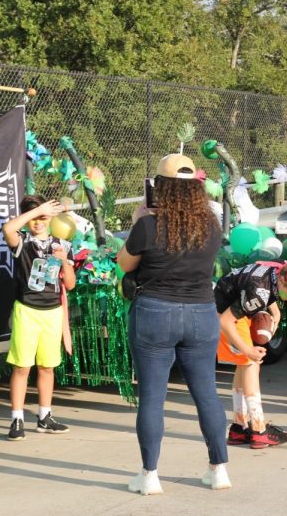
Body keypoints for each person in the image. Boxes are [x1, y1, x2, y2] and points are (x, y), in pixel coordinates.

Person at [117, 154, 227, 495]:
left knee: (152, 397)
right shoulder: (211, 223)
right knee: (207, 394)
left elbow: (124, 264)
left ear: (159, 188)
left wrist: (139, 220)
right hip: (201, 313)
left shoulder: (149, 224)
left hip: (155, 311)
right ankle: (218, 469)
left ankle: (150, 476)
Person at [216, 260, 287, 448]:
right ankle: (259, 430)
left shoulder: (274, 272)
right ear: (286, 283)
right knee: (251, 364)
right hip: (224, 316)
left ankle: (238, 427)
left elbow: (265, 290)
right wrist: (247, 350)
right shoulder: (259, 293)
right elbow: (226, 322)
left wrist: (276, 315)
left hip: (228, 306)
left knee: (243, 366)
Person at [2, 195, 76, 442]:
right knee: (22, 366)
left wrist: (64, 263)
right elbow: (8, 228)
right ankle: (17, 418)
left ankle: (45, 417)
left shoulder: (61, 244)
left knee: (47, 366)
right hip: (27, 310)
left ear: (51, 218)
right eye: (34, 218)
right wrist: (36, 211)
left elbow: (71, 284)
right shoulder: (22, 241)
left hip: (53, 312)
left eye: (43, 217)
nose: (38, 222)